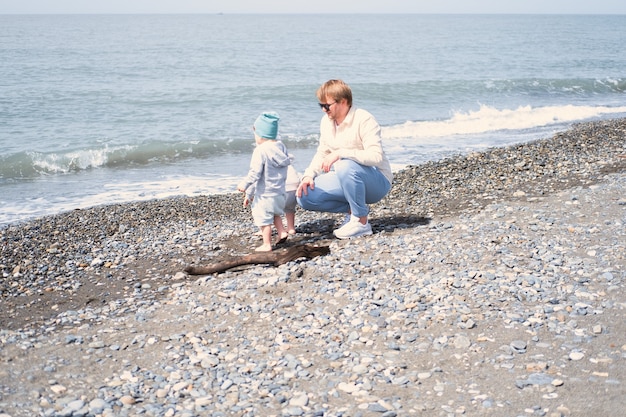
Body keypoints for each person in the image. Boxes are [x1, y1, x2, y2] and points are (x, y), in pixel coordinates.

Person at [296, 79, 393, 239]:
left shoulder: (364, 119)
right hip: (347, 177)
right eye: (321, 105)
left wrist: (341, 153)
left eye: (327, 105)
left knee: (344, 165)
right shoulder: (326, 122)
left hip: (377, 181)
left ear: (343, 102)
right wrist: (308, 175)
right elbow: (322, 152)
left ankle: (361, 222)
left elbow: (376, 157)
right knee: (304, 196)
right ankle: (354, 211)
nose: (323, 110)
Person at [237, 111, 291, 252]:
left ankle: (267, 244)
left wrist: (245, 185)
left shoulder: (260, 150)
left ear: (261, 134)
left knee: (263, 217)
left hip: (266, 194)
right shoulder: (281, 147)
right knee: (274, 214)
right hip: (280, 193)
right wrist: (249, 194)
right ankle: (282, 232)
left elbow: (255, 174)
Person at [284, 154, 300, 235]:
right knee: (290, 209)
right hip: (294, 190)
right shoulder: (290, 167)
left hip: (282, 191)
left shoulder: (272, 166)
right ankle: (291, 228)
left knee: (268, 211)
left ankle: (264, 230)